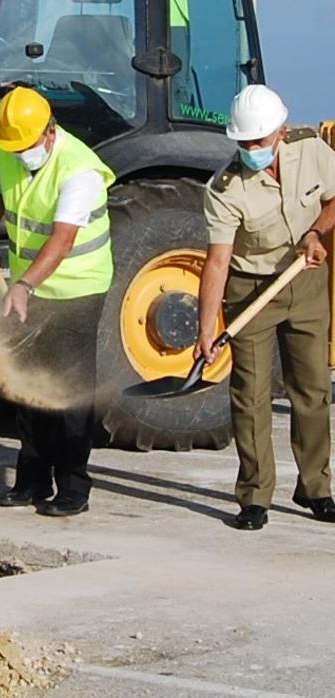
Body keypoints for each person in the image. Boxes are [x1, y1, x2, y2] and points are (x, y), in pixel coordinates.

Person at [0, 86, 115, 517]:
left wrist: (24, 286)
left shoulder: (80, 170)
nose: (20, 154)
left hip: (76, 288)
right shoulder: (11, 146)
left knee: (68, 388)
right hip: (28, 287)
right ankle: (31, 479)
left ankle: (73, 486)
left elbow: (63, 238)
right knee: (27, 384)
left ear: (50, 133)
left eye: (28, 147)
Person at [196, 85, 335, 530]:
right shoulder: (223, 187)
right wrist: (206, 327)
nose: (251, 150)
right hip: (250, 289)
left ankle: (316, 487)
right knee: (251, 395)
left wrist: (316, 233)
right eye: (244, 143)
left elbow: (333, 199)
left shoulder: (311, 150)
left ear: (282, 130)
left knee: (312, 389)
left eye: (259, 141)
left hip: (306, 281)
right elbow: (217, 261)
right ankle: (255, 496)